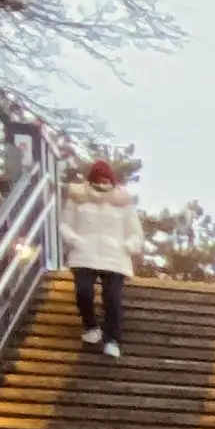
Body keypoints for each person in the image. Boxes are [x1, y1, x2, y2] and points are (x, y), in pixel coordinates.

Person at [60, 152, 144, 359]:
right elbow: (64, 224)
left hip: (114, 256)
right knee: (84, 292)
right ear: (91, 180)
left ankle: (112, 339)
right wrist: (74, 240)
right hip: (84, 252)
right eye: (98, 179)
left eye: (106, 179)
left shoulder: (122, 202)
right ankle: (90, 326)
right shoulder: (78, 198)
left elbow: (136, 232)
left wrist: (127, 246)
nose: (102, 183)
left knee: (112, 298)